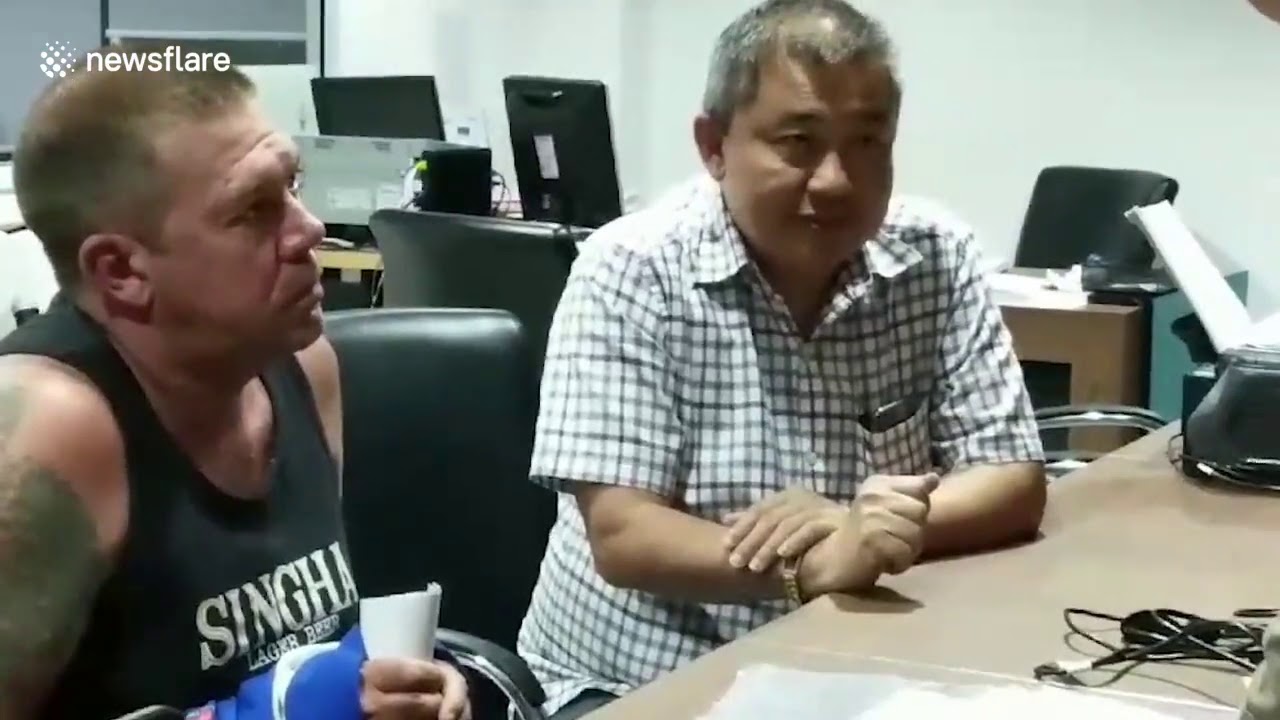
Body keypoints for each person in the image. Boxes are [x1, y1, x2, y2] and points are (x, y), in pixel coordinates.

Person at [515, 1, 1048, 717]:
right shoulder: (631, 269)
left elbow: (1011, 477)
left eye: (868, 142)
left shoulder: (938, 256)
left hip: (861, 664)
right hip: (639, 682)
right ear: (714, 145)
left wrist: (858, 524)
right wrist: (815, 565)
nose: (836, 180)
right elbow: (625, 535)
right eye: (799, 143)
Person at [0, 46, 470, 720]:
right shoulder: (52, 430)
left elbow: (305, 649)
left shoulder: (302, 363)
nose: (308, 230)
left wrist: (393, 685)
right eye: (253, 209)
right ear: (121, 272)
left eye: (293, 185)